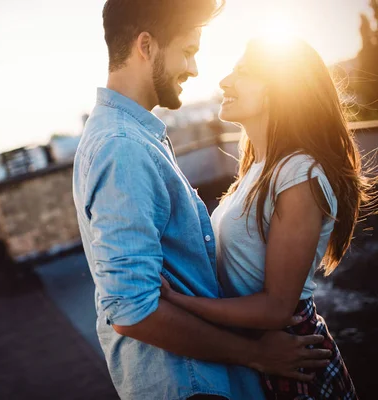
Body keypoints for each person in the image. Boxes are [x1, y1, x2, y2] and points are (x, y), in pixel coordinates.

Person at [73, 1, 331, 399]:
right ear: (147, 45)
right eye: (188, 51)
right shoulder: (122, 147)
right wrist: (255, 354)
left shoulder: (134, 137)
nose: (194, 69)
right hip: (190, 384)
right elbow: (131, 310)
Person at [160, 38, 368, 399]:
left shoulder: (300, 174)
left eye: (242, 73)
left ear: (277, 90)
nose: (225, 82)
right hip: (260, 353)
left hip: (291, 358)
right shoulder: (257, 168)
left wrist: (181, 303)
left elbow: (276, 308)